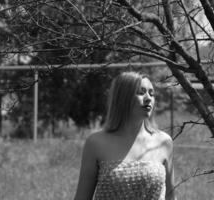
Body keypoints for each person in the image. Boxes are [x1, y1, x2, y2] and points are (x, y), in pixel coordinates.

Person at [74, 71, 176, 200]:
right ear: (122, 98)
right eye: (141, 92)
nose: (148, 98)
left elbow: (171, 196)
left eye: (152, 93)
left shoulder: (164, 142)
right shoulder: (96, 143)